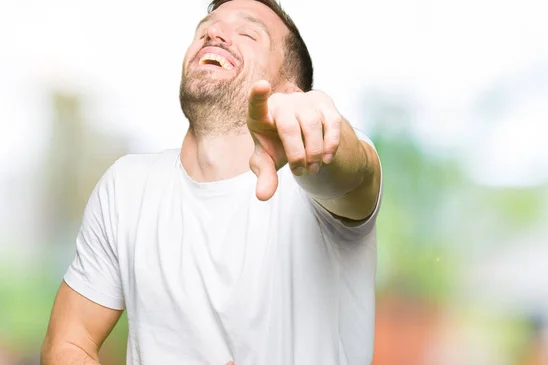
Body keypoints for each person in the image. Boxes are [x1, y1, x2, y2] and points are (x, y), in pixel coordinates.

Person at [41, 0, 383, 364]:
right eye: (206, 27)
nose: (214, 33)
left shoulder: (318, 177)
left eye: (248, 33)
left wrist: (320, 133)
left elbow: (350, 174)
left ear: (290, 92)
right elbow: (69, 342)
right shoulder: (126, 189)